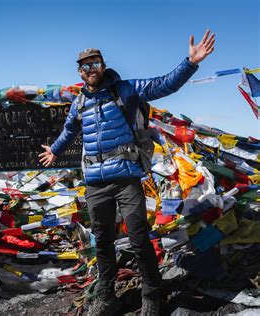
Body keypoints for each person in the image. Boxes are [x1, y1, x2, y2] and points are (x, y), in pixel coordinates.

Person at [39, 30, 215, 315]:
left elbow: (164, 84)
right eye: (85, 66)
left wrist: (190, 62)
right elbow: (69, 130)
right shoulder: (79, 103)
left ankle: (150, 294)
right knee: (103, 241)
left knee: (138, 237)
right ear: (80, 72)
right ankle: (106, 296)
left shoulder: (125, 90)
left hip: (126, 177)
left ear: (103, 66)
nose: (91, 69)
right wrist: (55, 151)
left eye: (95, 63)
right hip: (96, 182)